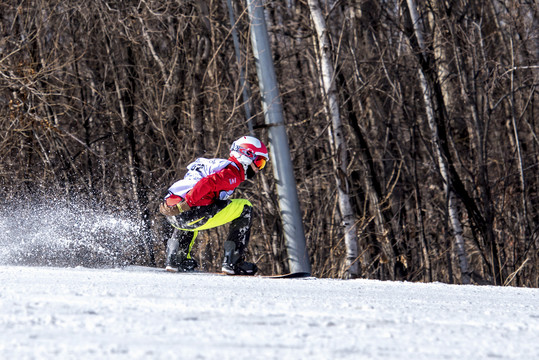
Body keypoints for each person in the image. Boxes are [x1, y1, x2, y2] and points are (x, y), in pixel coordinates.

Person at [159, 135, 269, 275]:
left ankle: (176, 258)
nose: (259, 169)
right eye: (259, 162)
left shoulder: (216, 164)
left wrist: (179, 206)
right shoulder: (231, 173)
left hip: (172, 212)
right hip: (187, 210)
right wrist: (186, 204)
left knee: (208, 203)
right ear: (246, 156)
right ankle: (233, 262)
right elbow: (208, 183)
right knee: (245, 207)